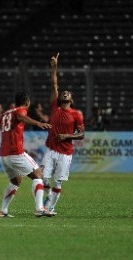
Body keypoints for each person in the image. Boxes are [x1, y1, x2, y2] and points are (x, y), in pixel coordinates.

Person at [0, 90, 53, 217]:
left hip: (4, 156)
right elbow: (21, 117)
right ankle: (39, 209)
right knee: (38, 175)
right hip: (15, 153)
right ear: (27, 101)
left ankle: (3, 211)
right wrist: (38, 123)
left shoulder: (5, 114)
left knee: (16, 181)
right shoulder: (20, 111)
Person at [42, 53, 85, 215]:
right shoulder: (55, 107)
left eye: (68, 93)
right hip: (51, 150)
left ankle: (50, 208)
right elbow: (54, 84)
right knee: (44, 178)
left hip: (66, 152)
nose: (65, 93)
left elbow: (81, 134)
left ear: (71, 99)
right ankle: (46, 200)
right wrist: (54, 67)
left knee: (58, 182)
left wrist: (67, 136)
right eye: (63, 92)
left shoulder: (76, 114)